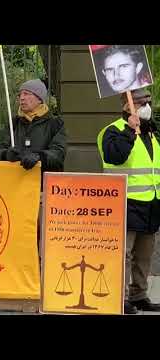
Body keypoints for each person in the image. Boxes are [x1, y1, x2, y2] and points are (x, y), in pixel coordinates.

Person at [97, 88, 160, 315]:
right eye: (141, 102)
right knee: (122, 254)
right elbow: (115, 156)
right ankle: (119, 297)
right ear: (127, 104)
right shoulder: (113, 131)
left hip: (151, 203)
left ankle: (139, 294)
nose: (146, 106)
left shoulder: (151, 132)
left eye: (148, 101)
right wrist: (129, 130)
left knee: (144, 256)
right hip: (124, 202)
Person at [0, 79, 66, 175]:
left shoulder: (55, 124)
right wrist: (6, 154)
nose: (22, 98)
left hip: (42, 184)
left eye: (27, 94)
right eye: (20, 95)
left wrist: (39, 156)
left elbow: (58, 154)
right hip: (16, 182)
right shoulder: (13, 123)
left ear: (39, 99)